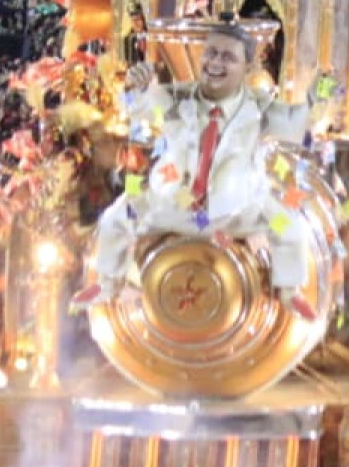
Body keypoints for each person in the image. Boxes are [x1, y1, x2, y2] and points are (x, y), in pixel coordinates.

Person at [75, 23, 318, 319]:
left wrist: (320, 95)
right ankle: (108, 283)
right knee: (116, 218)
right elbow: (143, 108)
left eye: (228, 57)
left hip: (238, 210)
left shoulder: (258, 107)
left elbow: (296, 124)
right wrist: (137, 88)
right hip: (174, 204)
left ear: (248, 66)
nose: (215, 63)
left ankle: (290, 292)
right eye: (211, 54)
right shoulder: (179, 98)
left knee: (288, 227)